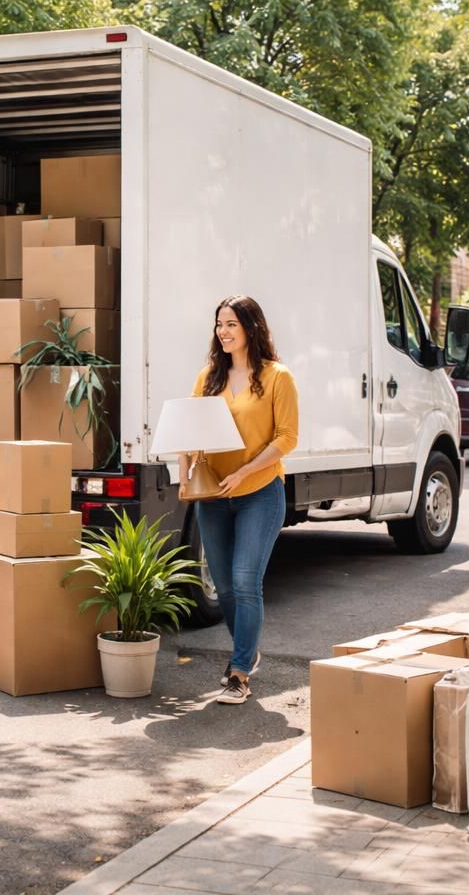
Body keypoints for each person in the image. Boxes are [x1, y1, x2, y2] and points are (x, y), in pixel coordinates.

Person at [181, 295, 298, 706]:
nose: (224, 332)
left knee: (247, 582)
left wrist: (244, 472)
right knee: (226, 586)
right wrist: (185, 475)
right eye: (219, 325)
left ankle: (239, 671)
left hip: (260, 494)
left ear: (251, 327)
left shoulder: (276, 377)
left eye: (231, 324)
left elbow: (287, 438)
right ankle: (247, 650)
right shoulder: (208, 378)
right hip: (213, 496)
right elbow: (187, 430)